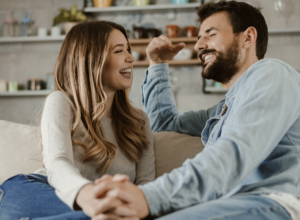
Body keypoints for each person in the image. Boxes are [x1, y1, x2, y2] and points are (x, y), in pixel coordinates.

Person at [87, 1, 300, 220]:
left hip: (272, 203)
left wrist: (149, 197)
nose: (199, 45)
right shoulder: (225, 108)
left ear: (248, 37)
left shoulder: (272, 73)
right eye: (199, 37)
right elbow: (165, 125)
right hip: (228, 204)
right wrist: (158, 63)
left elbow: (233, 153)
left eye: (210, 34)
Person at [0, 21, 155, 220]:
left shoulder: (139, 121)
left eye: (128, 49)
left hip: (98, 207)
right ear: (92, 60)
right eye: (119, 51)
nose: (130, 58)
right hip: (37, 190)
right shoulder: (62, 101)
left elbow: (146, 185)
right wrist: (89, 196)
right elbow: (57, 163)